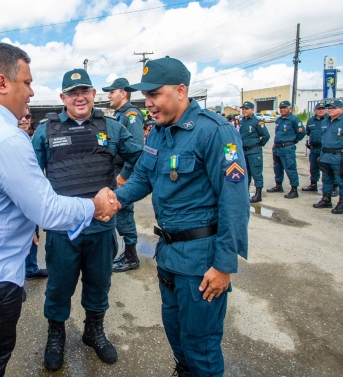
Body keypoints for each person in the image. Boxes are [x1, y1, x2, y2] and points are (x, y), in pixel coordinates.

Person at [0, 42, 120, 377]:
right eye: (27, 82)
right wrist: (95, 205)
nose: (32, 92)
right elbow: (46, 210)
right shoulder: (5, 138)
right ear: (3, 83)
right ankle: (56, 334)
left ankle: (94, 329)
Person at [114, 57, 250, 376]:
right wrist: (110, 200)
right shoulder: (159, 132)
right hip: (169, 257)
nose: (148, 104)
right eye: (145, 97)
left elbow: (235, 202)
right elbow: (142, 178)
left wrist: (224, 265)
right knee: (177, 336)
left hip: (202, 264)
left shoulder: (216, 132)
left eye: (155, 95)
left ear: (181, 90)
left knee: (201, 347)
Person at [33, 69, 142, 371]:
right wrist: (32, 222)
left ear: (94, 94)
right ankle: (56, 334)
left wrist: (122, 192)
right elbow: (29, 179)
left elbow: (142, 160)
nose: (79, 97)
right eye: (72, 92)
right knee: (59, 286)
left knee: (99, 283)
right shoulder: (46, 130)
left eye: (85, 91)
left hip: (101, 227)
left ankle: (94, 330)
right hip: (61, 228)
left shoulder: (114, 127)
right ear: (62, 98)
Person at [102, 77, 145, 272]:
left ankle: (131, 256)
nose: (109, 95)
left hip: (123, 171)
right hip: (116, 169)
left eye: (112, 92)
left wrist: (125, 175)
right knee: (119, 211)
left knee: (125, 211)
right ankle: (126, 253)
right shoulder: (119, 115)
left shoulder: (132, 114)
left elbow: (136, 149)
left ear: (123, 93)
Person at [313, 99, 343, 214]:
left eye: (333, 108)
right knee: (327, 179)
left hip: (339, 156)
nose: (330, 110)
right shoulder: (325, 121)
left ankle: (342, 204)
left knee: (341, 180)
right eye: (329, 108)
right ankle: (326, 199)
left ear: (341, 109)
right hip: (326, 155)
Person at [17, 111, 48, 285]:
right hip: (15, 199)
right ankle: (15, 282)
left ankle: (31, 269)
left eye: (27, 117)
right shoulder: (7, 141)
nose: (24, 120)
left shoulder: (32, 139)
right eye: (20, 117)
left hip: (32, 196)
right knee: (17, 238)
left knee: (33, 234)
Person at [266, 100, 306, 198]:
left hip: (287, 149)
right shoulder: (279, 120)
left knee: (290, 168)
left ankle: (294, 189)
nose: (283, 109)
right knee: (277, 168)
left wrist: (292, 141)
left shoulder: (294, 120)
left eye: (285, 107)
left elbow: (302, 133)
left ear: (290, 108)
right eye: (281, 108)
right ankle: (278, 186)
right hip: (277, 148)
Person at [239, 101, 271, 203]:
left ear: (252, 110)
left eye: (246, 108)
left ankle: (258, 194)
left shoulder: (257, 121)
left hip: (254, 151)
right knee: (246, 173)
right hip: (244, 151)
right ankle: (245, 192)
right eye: (243, 108)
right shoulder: (242, 121)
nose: (244, 110)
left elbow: (266, 136)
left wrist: (258, 145)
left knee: (256, 173)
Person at [302, 101, 327, 192]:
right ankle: (313, 184)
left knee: (326, 168)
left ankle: (329, 187)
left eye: (323, 109)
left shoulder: (329, 120)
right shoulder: (311, 120)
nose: (321, 111)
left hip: (325, 149)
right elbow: (307, 132)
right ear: (315, 110)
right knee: (313, 167)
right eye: (318, 109)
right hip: (313, 149)